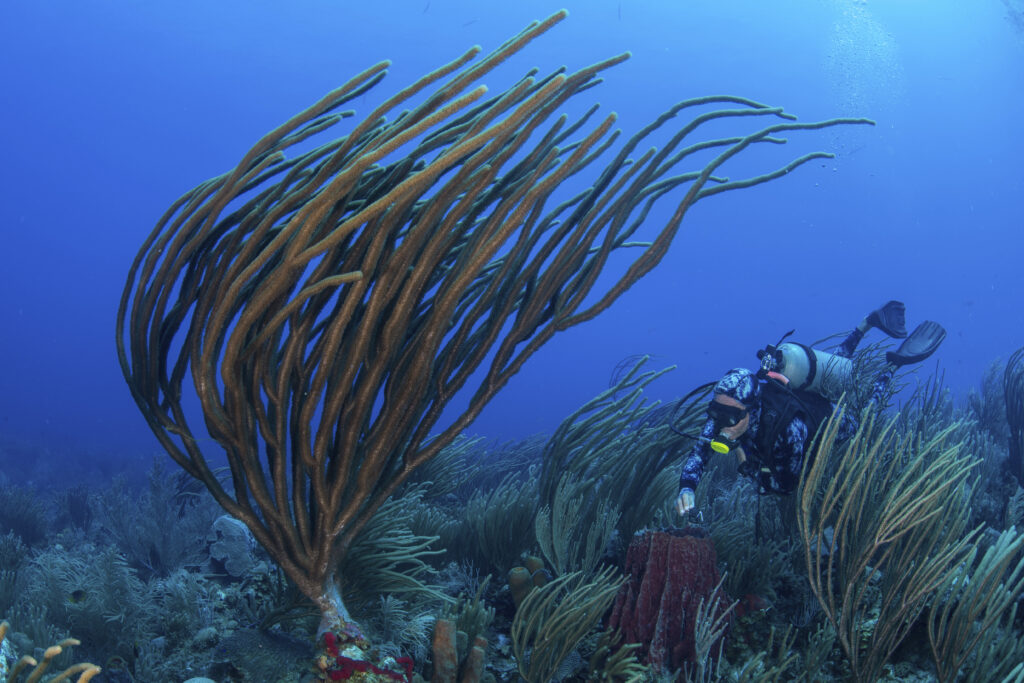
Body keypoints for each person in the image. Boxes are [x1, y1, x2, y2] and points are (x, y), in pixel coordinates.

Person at [675, 301, 947, 515]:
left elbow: (786, 485)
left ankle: (893, 364)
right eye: (716, 413)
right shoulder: (726, 413)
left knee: (866, 416)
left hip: (827, 420)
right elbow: (700, 452)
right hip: (799, 396)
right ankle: (865, 325)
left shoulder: (787, 428)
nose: (721, 424)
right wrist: (687, 487)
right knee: (833, 367)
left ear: (751, 407)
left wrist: (747, 467)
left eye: (731, 416)